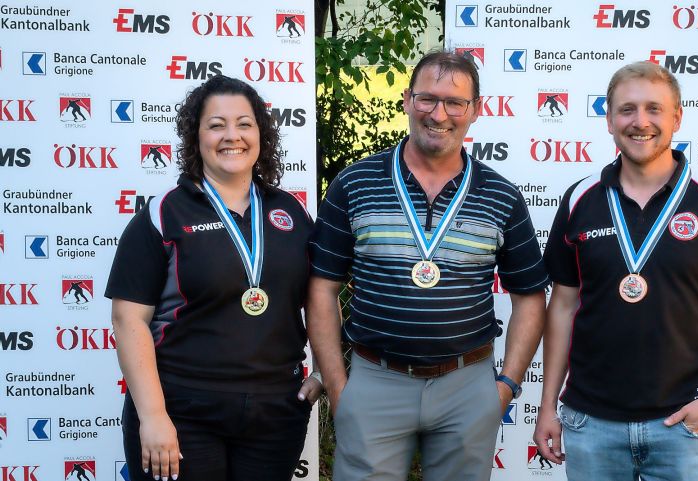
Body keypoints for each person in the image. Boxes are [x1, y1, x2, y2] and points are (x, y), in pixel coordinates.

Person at [308, 50, 549, 481]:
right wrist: (340, 387)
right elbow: (322, 288)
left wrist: (505, 388)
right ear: (406, 100)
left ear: (476, 110)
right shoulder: (355, 183)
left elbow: (530, 296)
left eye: (455, 102)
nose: (439, 114)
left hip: (467, 385)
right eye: (427, 99)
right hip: (375, 381)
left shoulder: (502, 196)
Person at [533, 61, 698, 481]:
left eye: (654, 109)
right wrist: (548, 403)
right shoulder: (579, 199)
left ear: (677, 116)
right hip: (591, 424)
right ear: (608, 119)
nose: (640, 122)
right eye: (627, 109)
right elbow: (563, 307)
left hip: (684, 424)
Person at [105, 75, 321, 481]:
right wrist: (152, 416)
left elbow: (321, 297)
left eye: (244, 123)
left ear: (261, 133)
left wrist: (325, 370)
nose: (231, 136)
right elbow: (127, 319)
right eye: (216, 125)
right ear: (196, 135)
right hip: (182, 411)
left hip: (274, 415)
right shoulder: (164, 214)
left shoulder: (290, 212)